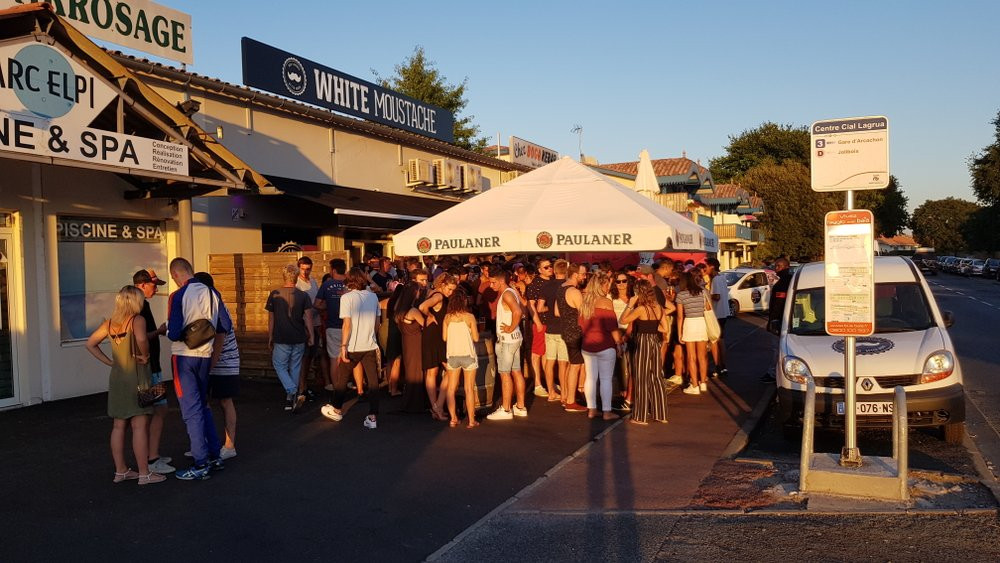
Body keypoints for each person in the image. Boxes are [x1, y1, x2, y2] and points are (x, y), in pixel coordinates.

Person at [85, 286, 166, 486]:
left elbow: (90, 343)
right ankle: (144, 473)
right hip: (137, 377)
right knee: (139, 425)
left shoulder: (108, 324)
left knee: (118, 425)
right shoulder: (137, 320)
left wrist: (109, 362)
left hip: (117, 378)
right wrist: (145, 355)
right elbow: (141, 338)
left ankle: (120, 470)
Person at [166, 257, 231, 480]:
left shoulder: (178, 295)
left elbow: (174, 333)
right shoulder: (213, 292)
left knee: (191, 411)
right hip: (205, 355)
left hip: (183, 357)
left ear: (176, 274)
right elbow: (225, 325)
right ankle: (214, 455)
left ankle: (200, 462)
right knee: (203, 406)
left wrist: (170, 329)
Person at [321, 267, 383, 429]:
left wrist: (343, 345)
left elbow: (347, 324)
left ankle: (336, 409)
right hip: (370, 344)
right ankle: (373, 416)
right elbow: (377, 322)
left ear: (349, 281)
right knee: (373, 381)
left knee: (342, 377)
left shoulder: (347, 298)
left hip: (353, 345)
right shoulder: (373, 296)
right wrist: (371, 336)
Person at [132, 268, 174, 475]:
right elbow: (141, 336)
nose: (156, 289)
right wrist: (159, 331)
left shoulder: (139, 305)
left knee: (153, 411)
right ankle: (152, 458)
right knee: (158, 409)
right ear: (142, 285)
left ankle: (151, 455)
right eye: (153, 285)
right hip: (149, 368)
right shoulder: (139, 307)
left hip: (150, 366)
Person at [195, 272, 240, 461]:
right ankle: (203, 443)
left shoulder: (217, 307)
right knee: (203, 402)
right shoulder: (208, 304)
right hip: (211, 361)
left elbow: (220, 339)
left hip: (225, 362)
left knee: (225, 401)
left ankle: (229, 445)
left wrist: (208, 367)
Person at [620, 279, 674, 425]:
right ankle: (660, 413)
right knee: (656, 376)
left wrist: (630, 304)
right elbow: (665, 328)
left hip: (642, 341)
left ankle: (640, 416)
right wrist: (653, 328)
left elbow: (623, 320)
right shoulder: (658, 307)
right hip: (654, 341)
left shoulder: (640, 309)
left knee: (641, 377)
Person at [266, 264, 314, 411]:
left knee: (279, 365)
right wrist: (311, 335)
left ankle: (292, 390)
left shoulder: (275, 294)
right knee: (295, 367)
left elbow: (271, 319)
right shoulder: (303, 295)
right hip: (299, 336)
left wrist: (270, 336)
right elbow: (308, 317)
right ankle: (291, 399)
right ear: (296, 277)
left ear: (284, 276)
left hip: (281, 336)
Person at [579, 272, 622, 420]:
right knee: (605, 379)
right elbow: (612, 327)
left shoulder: (585, 302)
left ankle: (592, 409)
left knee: (590, 378)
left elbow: (581, 325)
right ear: (602, 285)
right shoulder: (606, 302)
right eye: (607, 284)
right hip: (605, 344)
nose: (608, 287)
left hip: (588, 345)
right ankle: (607, 411)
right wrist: (618, 343)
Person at [485, 271, 527, 421]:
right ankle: (520, 407)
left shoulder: (507, 294)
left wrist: (510, 327)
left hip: (507, 340)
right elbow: (521, 310)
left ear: (501, 281)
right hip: (514, 338)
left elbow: (518, 312)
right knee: (516, 371)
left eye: (493, 282)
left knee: (504, 373)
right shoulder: (511, 292)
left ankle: (506, 409)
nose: (491, 285)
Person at [419, 273, 457, 421]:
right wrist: (429, 315)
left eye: (453, 290)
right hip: (436, 336)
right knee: (447, 370)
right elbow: (423, 306)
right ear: (442, 285)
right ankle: (437, 406)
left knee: (433, 371)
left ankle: (436, 407)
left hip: (433, 335)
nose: (451, 292)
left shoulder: (432, 292)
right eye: (449, 289)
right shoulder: (439, 296)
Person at [441, 289, 480, 428]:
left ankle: (453, 419)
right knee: (469, 389)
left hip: (452, 355)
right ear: (464, 301)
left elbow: (444, 338)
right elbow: (476, 338)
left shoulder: (447, 318)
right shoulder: (470, 317)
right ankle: (471, 421)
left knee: (451, 389)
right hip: (468, 354)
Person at [555, 262, 586, 413]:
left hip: (565, 330)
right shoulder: (574, 291)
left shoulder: (561, 288)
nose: (584, 277)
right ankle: (571, 401)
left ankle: (567, 396)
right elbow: (584, 314)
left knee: (571, 364)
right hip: (576, 332)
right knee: (576, 365)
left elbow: (556, 312)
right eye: (583, 274)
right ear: (575, 274)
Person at [395, 279, 428, 413]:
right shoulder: (413, 311)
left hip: (406, 342)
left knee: (410, 371)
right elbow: (425, 325)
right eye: (418, 290)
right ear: (414, 292)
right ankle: (417, 402)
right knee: (417, 371)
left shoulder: (399, 309)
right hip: (416, 342)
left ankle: (411, 400)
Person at [315, 259, 347, 398]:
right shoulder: (350, 284)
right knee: (348, 358)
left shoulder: (327, 285)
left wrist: (327, 305)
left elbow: (317, 304)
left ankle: (336, 389)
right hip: (349, 326)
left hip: (332, 326)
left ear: (333, 270)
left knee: (334, 359)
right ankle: (351, 384)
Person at [295, 256, 326, 401]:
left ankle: (304, 386)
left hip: (315, 322)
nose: (305, 272)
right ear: (298, 268)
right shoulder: (297, 284)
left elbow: (317, 302)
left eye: (308, 269)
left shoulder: (313, 281)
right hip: (303, 325)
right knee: (303, 357)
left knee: (309, 358)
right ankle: (301, 388)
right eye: (303, 269)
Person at [676, 271, 711, 395]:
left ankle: (694, 385)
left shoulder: (681, 295)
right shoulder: (703, 292)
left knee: (691, 357)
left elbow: (680, 316)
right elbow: (708, 308)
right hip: (702, 323)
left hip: (689, 323)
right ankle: (703, 383)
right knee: (702, 356)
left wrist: (679, 333)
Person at [538, 259, 568, 403]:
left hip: (550, 328)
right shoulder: (568, 286)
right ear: (566, 271)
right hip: (563, 328)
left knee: (549, 362)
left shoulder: (546, 286)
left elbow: (539, 308)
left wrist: (549, 309)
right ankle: (564, 394)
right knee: (563, 363)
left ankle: (551, 392)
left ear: (554, 271)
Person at [524, 259, 552, 398]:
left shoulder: (552, 281)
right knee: (537, 353)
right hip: (540, 322)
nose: (550, 268)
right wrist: (538, 323)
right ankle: (537, 384)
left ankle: (548, 383)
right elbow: (530, 305)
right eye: (546, 267)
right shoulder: (534, 284)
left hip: (551, 323)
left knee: (547, 354)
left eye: (550, 266)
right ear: (540, 270)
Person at [762, 257, 792, 383]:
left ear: (786, 266)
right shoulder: (790, 280)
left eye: (779, 266)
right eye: (775, 266)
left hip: (779, 321)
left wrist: (772, 321)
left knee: (777, 349)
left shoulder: (782, 283)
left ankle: (773, 374)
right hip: (787, 320)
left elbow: (778, 305)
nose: (776, 268)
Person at [610, 272, 634, 410]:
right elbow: (610, 318)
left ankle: (628, 394)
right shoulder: (611, 298)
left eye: (624, 281)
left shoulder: (633, 297)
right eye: (618, 282)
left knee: (630, 364)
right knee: (619, 364)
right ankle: (621, 392)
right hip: (616, 332)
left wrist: (628, 333)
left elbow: (635, 317)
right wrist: (617, 336)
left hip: (630, 331)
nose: (621, 284)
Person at [705, 258, 730, 378]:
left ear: (712, 267)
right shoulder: (722, 277)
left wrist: (706, 294)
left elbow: (717, 296)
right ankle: (723, 365)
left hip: (717, 313)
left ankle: (719, 366)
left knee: (716, 340)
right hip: (724, 312)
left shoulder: (715, 279)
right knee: (721, 339)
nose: (705, 269)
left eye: (706, 266)